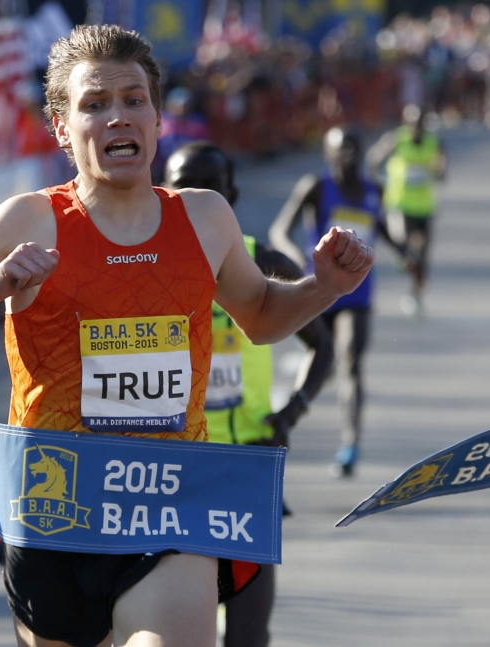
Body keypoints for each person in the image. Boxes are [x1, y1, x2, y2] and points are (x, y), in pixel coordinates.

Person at [0, 25, 373, 647]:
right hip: (54, 511)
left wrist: (323, 287)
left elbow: (263, 316)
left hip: (168, 505)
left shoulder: (205, 217)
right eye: (95, 104)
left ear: (159, 117)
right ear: (62, 127)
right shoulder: (27, 223)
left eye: (134, 100)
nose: (119, 117)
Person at [163, 141, 330, 647]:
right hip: (173, 471)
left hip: (248, 466)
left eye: (208, 186)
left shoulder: (262, 262)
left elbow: (323, 346)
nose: (194, 197)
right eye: (180, 186)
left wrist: (291, 412)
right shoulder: (144, 272)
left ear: (230, 195)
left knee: (248, 633)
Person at [271, 128, 401, 478]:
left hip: (357, 296)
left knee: (352, 365)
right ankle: (281, 434)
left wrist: (406, 253)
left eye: (354, 148)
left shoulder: (374, 189)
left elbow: (381, 227)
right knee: (321, 365)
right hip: (317, 292)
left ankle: (350, 445)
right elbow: (280, 229)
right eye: (340, 150)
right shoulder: (315, 186)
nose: (348, 156)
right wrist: (292, 253)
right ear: (327, 154)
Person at [365, 105, 446, 317]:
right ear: (406, 123)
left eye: (419, 125)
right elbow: (373, 160)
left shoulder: (434, 142)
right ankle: (405, 261)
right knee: (407, 247)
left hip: (425, 206)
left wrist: (439, 171)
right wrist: (379, 187)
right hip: (400, 203)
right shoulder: (396, 140)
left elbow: (442, 172)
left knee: (423, 255)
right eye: (412, 124)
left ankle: (416, 294)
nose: (416, 129)